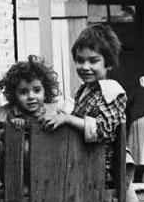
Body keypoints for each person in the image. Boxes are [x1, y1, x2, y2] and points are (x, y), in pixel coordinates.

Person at [41, 24, 128, 189]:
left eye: (93, 61)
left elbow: (104, 130)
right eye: (80, 60)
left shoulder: (111, 90)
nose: (85, 67)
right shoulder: (83, 90)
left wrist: (67, 119)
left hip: (98, 170)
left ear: (108, 64)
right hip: (78, 161)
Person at [0, 55, 63, 128]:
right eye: (23, 92)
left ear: (45, 92)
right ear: (15, 95)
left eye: (37, 91)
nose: (31, 96)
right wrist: (12, 123)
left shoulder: (52, 111)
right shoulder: (9, 112)